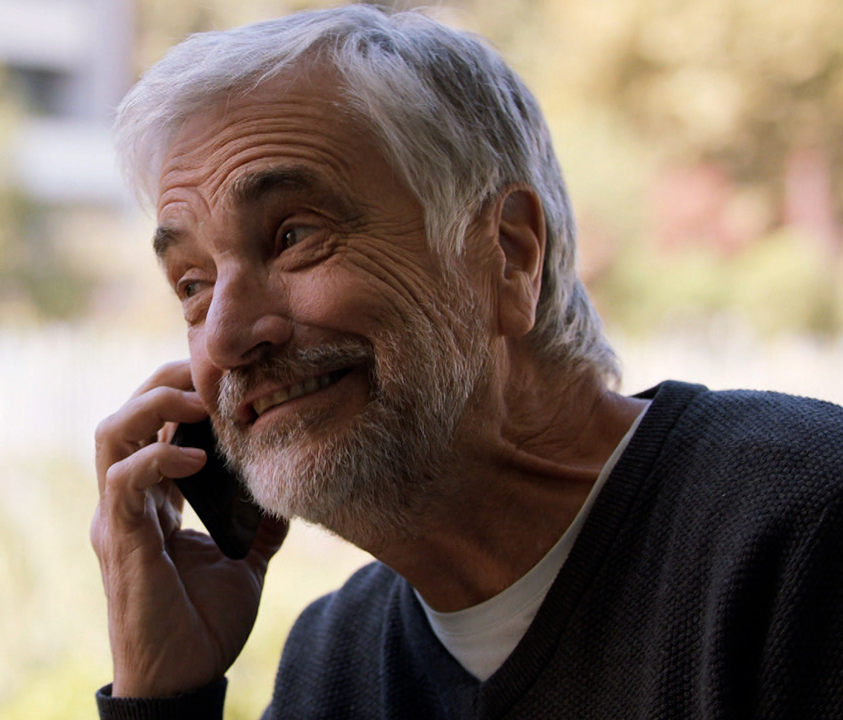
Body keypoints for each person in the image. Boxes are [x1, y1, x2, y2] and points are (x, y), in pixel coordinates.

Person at [88, 5, 843, 719]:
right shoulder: (334, 663)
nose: (224, 339)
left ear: (509, 255)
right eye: (193, 285)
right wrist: (163, 695)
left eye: (293, 236)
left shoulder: (802, 527)